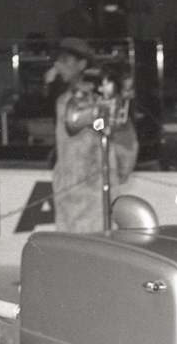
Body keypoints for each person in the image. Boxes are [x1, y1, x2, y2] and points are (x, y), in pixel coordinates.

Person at [47, 37, 138, 233]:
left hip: (95, 191)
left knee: (95, 247)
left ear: (82, 64)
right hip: (67, 189)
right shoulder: (63, 100)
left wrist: (115, 174)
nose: (57, 65)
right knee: (69, 248)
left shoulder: (102, 100)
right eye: (57, 60)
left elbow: (126, 140)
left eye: (65, 60)